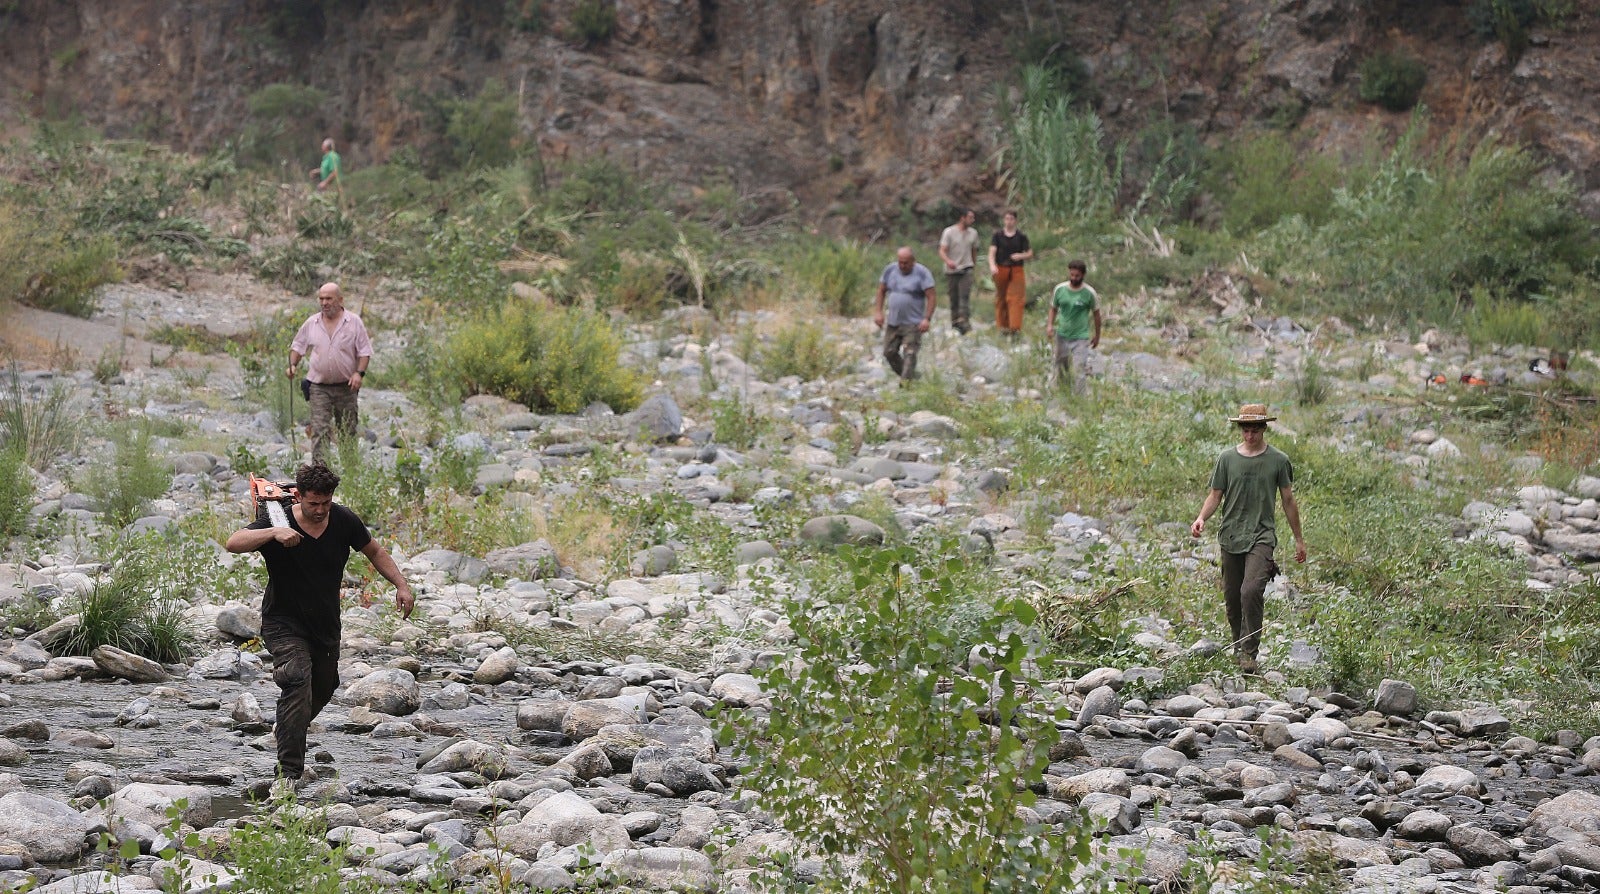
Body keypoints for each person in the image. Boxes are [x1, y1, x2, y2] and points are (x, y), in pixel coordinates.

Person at [226, 462, 414, 788]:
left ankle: (288, 727)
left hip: (325, 625)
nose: (320, 510)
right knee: (296, 678)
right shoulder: (278, 518)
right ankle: (288, 776)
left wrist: (401, 585)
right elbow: (234, 542)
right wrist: (272, 533)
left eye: (325, 503)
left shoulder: (342, 519)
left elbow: (374, 550)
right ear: (298, 496)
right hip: (283, 621)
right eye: (313, 503)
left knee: (324, 689)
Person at [1189, 405, 1307, 674]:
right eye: (1246, 430)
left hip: (1261, 535)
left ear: (1264, 429)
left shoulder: (1278, 460)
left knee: (1250, 590)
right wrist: (1201, 518)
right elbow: (1215, 495)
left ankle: (1249, 653)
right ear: (1240, 429)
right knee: (1232, 597)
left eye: (1255, 430)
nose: (1250, 435)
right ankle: (1238, 645)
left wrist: (1299, 539)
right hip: (1231, 534)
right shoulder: (1227, 459)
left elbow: (1288, 499)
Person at [288, 282, 372, 463]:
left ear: (340, 300)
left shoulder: (354, 322)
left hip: (346, 387)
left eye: (329, 298)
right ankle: (320, 476)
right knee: (319, 431)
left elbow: (364, 351)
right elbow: (298, 346)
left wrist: (359, 373)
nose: (324, 303)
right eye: (321, 299)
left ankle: (350, 474)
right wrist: (293, 365)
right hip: (319, 387)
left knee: (347, 431)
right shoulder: (312, 323)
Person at [873, 247, 937, 382]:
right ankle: (912, 377)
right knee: (889, 352)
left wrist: (927, 318)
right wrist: (878, 312)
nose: (902, 265)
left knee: (910, 353)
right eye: (900, 262)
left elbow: (931, 296)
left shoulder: (922, 273)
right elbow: (881, 291)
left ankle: (906, 385)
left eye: (906, 263)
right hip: (894, 321)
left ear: (913, 261)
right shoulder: (890, 270)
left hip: (913, 322)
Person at [1045, 260, 1101, 393]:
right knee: (1061, 367)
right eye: (1072, 275)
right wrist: (1050, 325)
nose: (1074, 278)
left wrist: (1097, 335)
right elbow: (1053, 308)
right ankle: (1062, 392)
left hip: (1081, 337)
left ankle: (1079, 398)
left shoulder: (1089, 293)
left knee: (1079, 369)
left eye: (1077, 276)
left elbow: (1097, 315)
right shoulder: (1060, 289)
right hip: (1062, 335)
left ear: (1083, 275)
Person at [987, 209, 1032, 337]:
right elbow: (992, 252)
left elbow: (1029, 253)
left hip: (1016, 269)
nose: (1009, 222)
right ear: (1004, 220)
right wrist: (992, 265)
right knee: (1001, 298)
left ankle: (1015, 328)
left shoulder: (1021, 236)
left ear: (1015, 221)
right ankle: (1002, 327)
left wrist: (1020, 255)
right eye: (1007, 219)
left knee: (1015, 298)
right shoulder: (997, 236)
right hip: (1001, 269)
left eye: (1011, 219)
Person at [938, 209, 980, 335]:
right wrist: (948, 261)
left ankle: (965, 323)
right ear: (963, 218)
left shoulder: (973, 233)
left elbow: (974, 250)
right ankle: (955, 323)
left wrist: (973, 265)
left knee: (964, 297)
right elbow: (942, 250)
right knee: (954, 298)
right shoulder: (949, 232)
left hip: (967, 268)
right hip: (952, 270)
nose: (972, 220)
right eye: (970, 217)